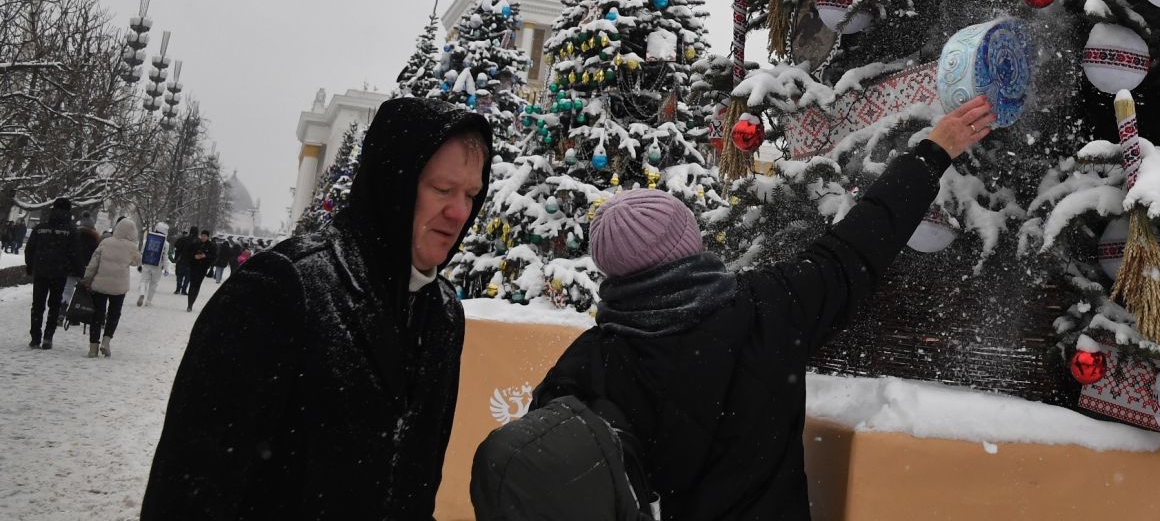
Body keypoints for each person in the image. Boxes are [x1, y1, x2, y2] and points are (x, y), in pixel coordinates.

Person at [478, 96, 999, 521]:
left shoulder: (590, 362)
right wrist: (933, 152)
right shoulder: (771, 306)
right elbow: (860, 242)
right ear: (690, 244)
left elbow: (550, 470)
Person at [142, 96, 491, 520]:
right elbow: (189, 492)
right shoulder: (280, 289)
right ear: (393, 185)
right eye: (441, 189)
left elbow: (415, 480)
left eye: (471, 194)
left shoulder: (443, 313)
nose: (459, 212)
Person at [24, 197, 80, 349]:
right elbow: (75, 254)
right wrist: (79, 272)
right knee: (54, 305)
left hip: (41, 271)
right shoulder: (71, 231)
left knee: (37, 305)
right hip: (59, 273)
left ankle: (35, 337)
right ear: (69, 211)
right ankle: (48, 336)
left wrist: (30, 266)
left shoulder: (40, 228)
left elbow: (30, 249)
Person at [82, 216, 139, 358]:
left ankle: (93, 347)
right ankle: (106, 342)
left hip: (100, 285)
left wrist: (87, 279)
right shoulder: (132, 247)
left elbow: (93, 263)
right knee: (114, 314)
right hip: (119, 287)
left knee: (97, 315)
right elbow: (137, 262)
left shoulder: (105, 242)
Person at [137, 222, 169, 307]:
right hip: (158, 266)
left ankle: (142, 293)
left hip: (147, 263)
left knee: (143, 280)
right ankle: (148, 301)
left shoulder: (147, 240)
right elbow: (165, 257)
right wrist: (166, 268)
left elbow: (142, 253)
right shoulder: (166, 244)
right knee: (154, 283)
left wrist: (139, 264)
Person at [183, 227, 214, 310]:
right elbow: (187, 253)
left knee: (197, 286)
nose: (203, 237)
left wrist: (205, 256)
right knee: (192, 285)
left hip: (203, 269)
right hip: (194, 267)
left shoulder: (211, 245)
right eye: (202, 235)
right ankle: (189, 305)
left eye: (205, 236)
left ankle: (192, 302)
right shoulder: (195, 243)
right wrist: (194, 256)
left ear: (208, 237)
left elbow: (214, 257)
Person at [171, 227, 197, 295]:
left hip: (182, 261)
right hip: (191, 263)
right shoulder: (197, 241)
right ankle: (184, 290)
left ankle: (177, 289)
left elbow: (177, 247)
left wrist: (176, 257)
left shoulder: (183, 239)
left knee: (180, 276)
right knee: (187, 277)